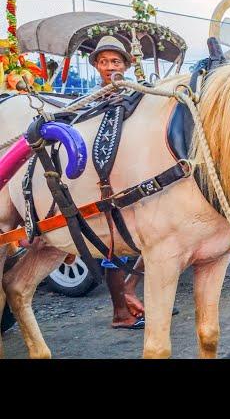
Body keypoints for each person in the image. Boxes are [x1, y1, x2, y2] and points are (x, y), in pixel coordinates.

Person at [88, 36, 147, 329]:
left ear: (125, 65)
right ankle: (120, 313)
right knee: (111, 247)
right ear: (97, 66)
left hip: (133, 177)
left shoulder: (134, 95)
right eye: (104, 62)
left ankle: (130, 289)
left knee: (154, 242)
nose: (109, 67)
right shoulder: (90, 102)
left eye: (115, 61)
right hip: (102, 181)